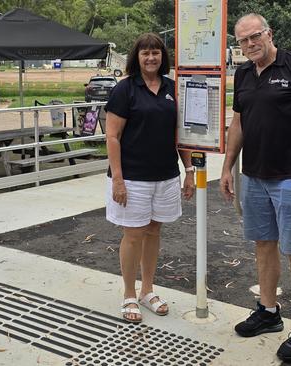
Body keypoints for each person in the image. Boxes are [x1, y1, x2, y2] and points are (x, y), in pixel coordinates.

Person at [220, 13, 291, 363]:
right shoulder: (242, 74)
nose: (251, 44)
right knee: (264, 245)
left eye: (256, 36)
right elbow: (238, 123)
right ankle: (268, 311)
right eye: (243, 40)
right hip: (254, 175)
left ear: (269, 34)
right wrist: (227, 167)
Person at [105, 33, 195, 323]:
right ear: (137, 57)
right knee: (133, 234)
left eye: (155, 52)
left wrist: (189, 172)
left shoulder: (172, 88)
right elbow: (112, 136)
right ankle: (129, 293)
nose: (151, 58)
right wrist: (118, 179)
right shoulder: (125, 90)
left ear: (162, 56)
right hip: (132, 177)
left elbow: (181, 136)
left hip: (165, 175)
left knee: (154, 231)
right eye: (145, 53)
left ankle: (147, 289)